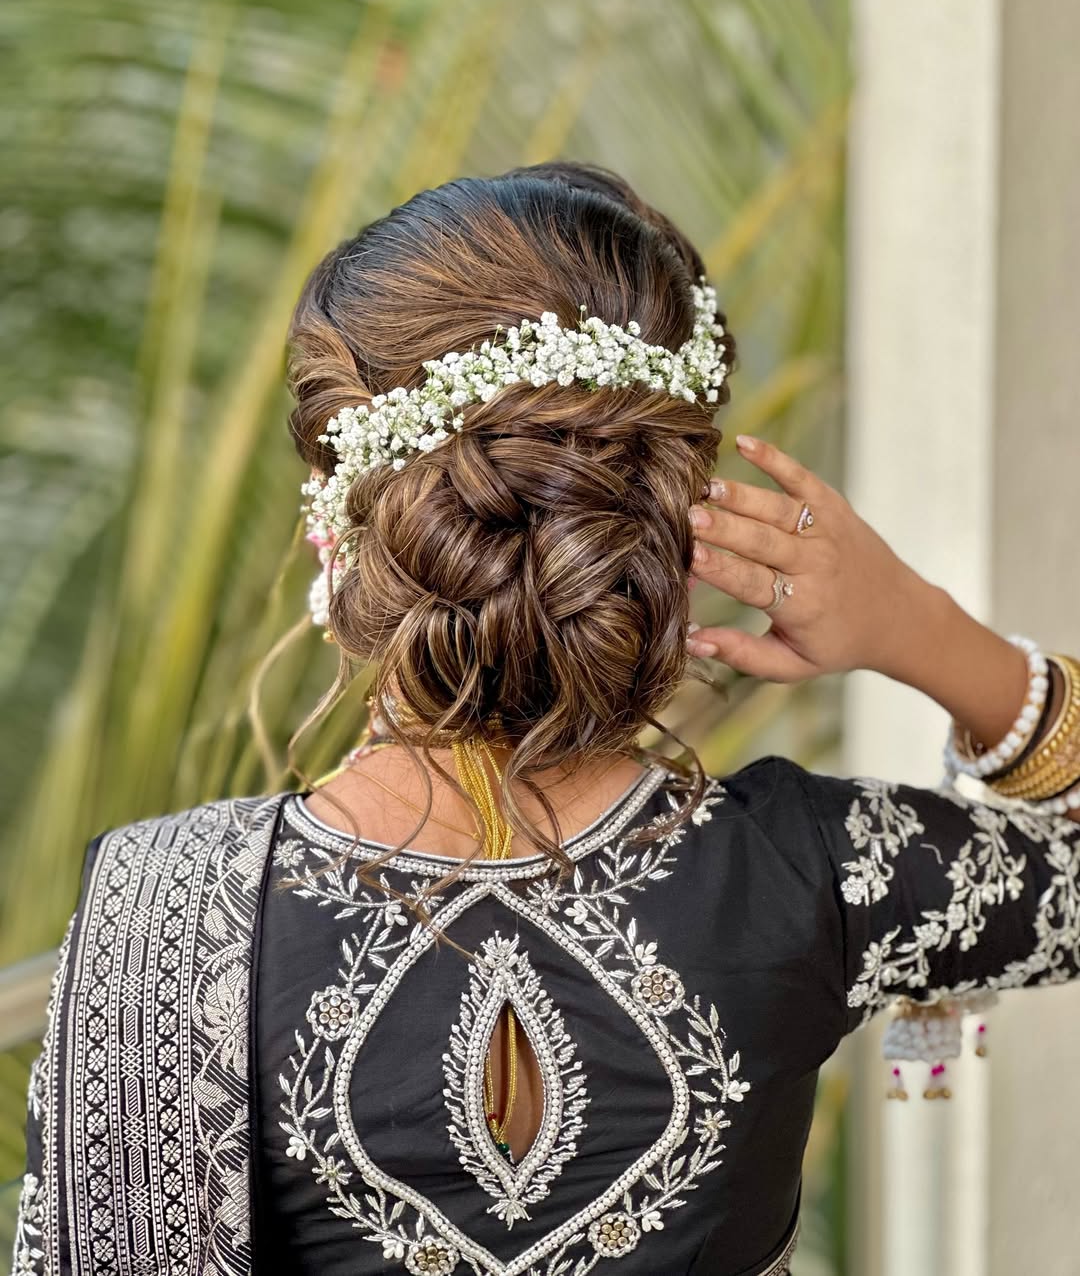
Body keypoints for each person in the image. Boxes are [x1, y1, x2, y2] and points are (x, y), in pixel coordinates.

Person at [11, 162, 1080, 1276]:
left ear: (339, 538)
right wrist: (913, 623)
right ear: (669, 538)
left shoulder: (159, 917)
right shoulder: (814, 869)